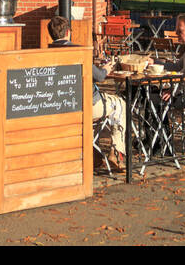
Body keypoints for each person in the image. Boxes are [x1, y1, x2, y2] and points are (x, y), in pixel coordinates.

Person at [47, 14, 126, 163]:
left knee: (89, 121)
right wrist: (105, 69)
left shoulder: (45, 53)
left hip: (61, 106)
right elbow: (100, 77)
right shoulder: (78, 52)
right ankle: (116, 152)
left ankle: (92, 153)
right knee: (120, 104)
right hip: (88, 105)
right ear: (68, 32)